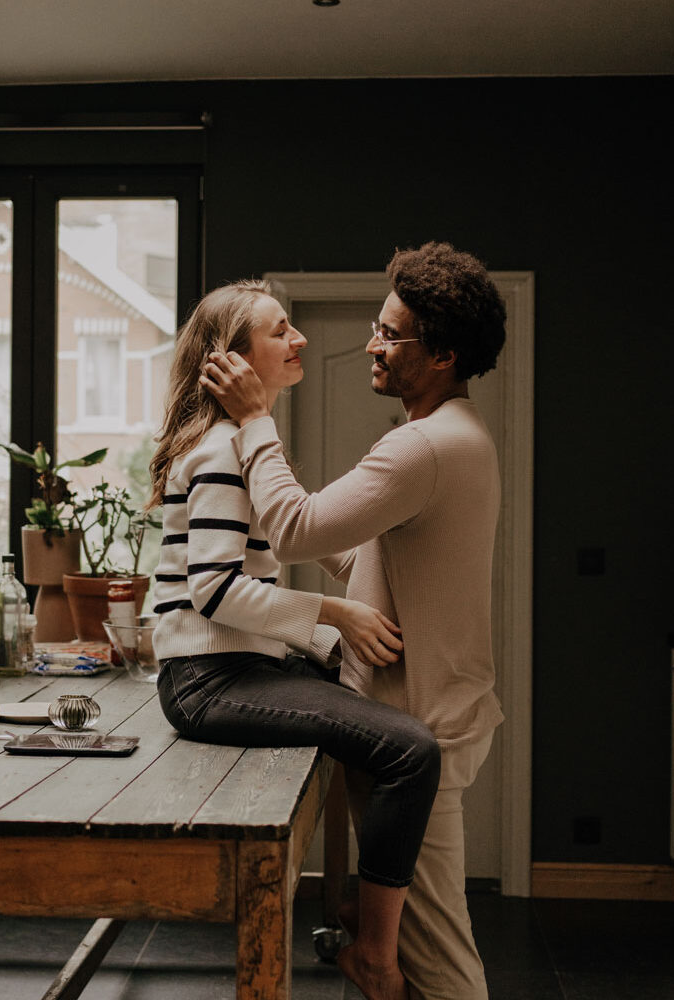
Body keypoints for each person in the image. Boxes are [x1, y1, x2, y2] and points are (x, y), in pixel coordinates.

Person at [199, 242, 507, 1000]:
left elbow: (299, 531)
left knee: (441, 963)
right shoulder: (453, 437)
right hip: (423, 711)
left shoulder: (425, 446)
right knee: (408, 950)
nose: (373, 344)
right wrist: (334, 598)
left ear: (445, 355)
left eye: (392, 335)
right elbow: (363, 560)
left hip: (421, 719)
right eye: (377, 325)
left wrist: (254, 420)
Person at [147, 279, 442, 1000]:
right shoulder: (220, 452)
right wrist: (336, 617)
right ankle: (374, 951)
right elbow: (215, 593)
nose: (298, 339)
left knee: (383, 724)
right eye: (281, 330)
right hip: (210, 683)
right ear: (235, 362)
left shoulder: (235, 444)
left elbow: (290, 541)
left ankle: (357, 903)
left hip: (241, 669)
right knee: (412, 751)